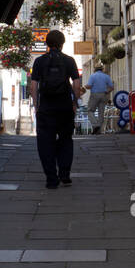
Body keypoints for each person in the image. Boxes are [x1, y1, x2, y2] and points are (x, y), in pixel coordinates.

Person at [28, 30, 82, 188]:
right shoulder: (69, 61)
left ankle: (51, 178)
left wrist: (37, 106)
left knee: (45, 143)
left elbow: (33, 87)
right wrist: (74, 103)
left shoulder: (39, 61)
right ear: (62, 43)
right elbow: (77, 85)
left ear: (47, 44)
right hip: (65, 107)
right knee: (66, 140)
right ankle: (65, 175)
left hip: (46, 108)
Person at [84, 65, 113, 134]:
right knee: (101, 113)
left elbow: (89, 86)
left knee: (89, 110)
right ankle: (98, 130)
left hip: (95, 95)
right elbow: (111, 87)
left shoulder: (93, 76)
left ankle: (95, 125)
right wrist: (107, 91)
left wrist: (85, 86)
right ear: (102, 69)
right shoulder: (106, 76)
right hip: (104, 94)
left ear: (95, 69)